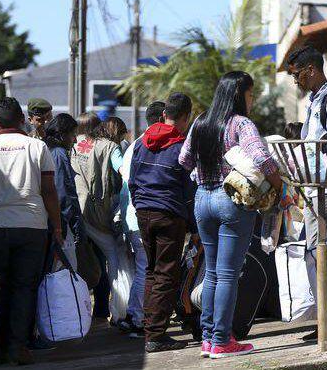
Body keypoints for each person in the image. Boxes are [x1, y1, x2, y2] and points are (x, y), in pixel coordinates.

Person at [180, 72, 282, 359]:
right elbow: (262, 158)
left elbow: (183, 160)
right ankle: (223, 340)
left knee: (211, 272)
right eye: (251, 94)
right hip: (232, 201)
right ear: (240, 95)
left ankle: (209, 338)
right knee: (228, 275)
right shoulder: (240, 124)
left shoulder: (200, 122)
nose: (252, 100)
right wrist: (279, 185)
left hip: (203, 199)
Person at [0, 97, 63, 365]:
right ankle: (19, 346)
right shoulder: (38, 147)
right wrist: (57, 227)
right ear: (22, 119)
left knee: (0, 287)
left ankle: (1, 346)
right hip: (32, 228)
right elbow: (49, 191)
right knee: (25, 288)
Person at [129, 94, 196, 352]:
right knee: (166, 274)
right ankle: (155, 335)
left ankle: (150, 329)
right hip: (169, 214)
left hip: (144, 212)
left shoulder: (141, 143)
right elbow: (188, 190)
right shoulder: (181, 147)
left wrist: (139, 204)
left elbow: (132, 180)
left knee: (151, 271)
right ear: (185, 117)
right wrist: (193, 225)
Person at [285, 45, 327, 250]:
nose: (295, 80)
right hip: (313, 190)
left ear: (311, 70)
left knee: (318, 253)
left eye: (297, 74)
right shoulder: (314, 102)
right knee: (314, 254)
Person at [116, 101, 166, 338]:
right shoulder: (152, 144)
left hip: (132, 217)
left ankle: (135, 316)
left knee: (143, 269)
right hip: (141, 216)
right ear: (164, 117)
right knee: (147, 270)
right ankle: (137, 318)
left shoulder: (135, 144)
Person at [71, 116, 126, 323]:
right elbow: (123, 169)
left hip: (77, 213)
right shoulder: (110, 147)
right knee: (113, 259)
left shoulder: (75, 146)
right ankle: (118, 310)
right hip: (98, 214)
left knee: (82, 262)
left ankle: (81, 312)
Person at [43, 113, 84, 269]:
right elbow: (63, 193)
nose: (74, 140)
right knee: (66, 270)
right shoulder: (59, 154)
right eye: (72, 135)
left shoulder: (45, 148)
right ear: (62, 134)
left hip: (46, 220)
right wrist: (70, 225)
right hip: (59, 223)